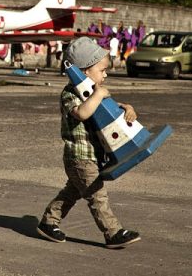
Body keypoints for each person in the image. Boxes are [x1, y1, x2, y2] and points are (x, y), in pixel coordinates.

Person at [36, 37, 141, 249]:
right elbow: (82, 113)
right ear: (85, 71)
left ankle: (48, 222)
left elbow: (112, 109)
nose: (105, 75)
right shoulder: (69, 94)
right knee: (97, 195)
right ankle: (113, 233)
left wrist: (127, 108)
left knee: (71, 193)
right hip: (79, 157)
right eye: (102, 70)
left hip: (92, 157)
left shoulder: (94, 92)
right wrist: (99, 94)